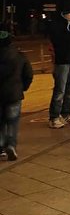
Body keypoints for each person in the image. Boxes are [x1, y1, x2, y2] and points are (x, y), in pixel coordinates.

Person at [0, 30, 33, 160]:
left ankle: (1, 146)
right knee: (12, 122)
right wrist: (22, 88)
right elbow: (28, 75)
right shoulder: (20, 56)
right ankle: (11, 145)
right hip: (14, 94)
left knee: (1, 122)